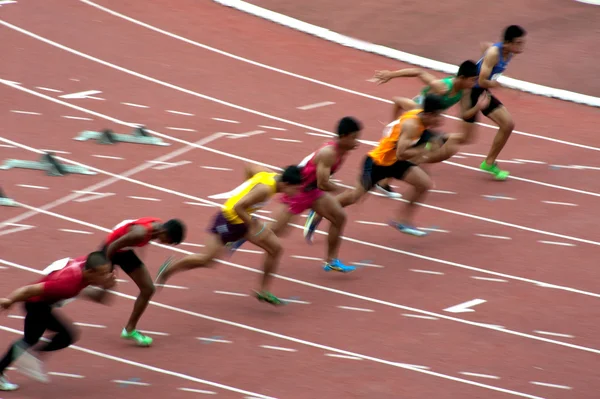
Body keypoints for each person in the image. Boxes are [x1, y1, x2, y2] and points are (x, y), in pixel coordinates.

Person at [305, 95, 451, 240]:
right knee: (354, 197)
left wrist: (392, 125)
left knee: (424, 184)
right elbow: (401, 154)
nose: (442, 120)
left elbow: (397, 101)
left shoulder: (417, 110)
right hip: (377, 163)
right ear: (429, 114)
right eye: (439, 116)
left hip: (394, 163)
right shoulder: (412, 126)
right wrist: (426, 147)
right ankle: (319, 211)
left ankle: (402, 220)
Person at [155, 164, 304, 305]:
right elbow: (238, 206)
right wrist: (252, 223)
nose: (296, 193)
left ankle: (263, 291)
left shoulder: (270, 175)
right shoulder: (265, 190)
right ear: (286, 184)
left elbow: (249, 166)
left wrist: (245, 191)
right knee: (207, 260)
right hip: (228, 221)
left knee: (276, 249)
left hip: (244, 222)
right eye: (295, 189)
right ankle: (169, 268)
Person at [227, 117, 362, 274]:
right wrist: (343, 189)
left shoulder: (342, 150)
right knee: (276, 231)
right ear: (344, 136)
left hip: (311, 191)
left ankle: (331, 261)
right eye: (354, 138)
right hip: (297, 191)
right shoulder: (329, 153)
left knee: (339, 217)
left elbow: (319, 182)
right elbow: (323, 183)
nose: (357, 142)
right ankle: (240, 235)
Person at [0, 251, 115, 391]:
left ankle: (31, 355)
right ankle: (27, 358)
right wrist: (10, 300)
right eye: (103, 274)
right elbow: (28, 290)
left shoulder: (87, 266)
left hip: (45, 304)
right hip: (36, 305)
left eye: (107, 272)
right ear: (90, 271)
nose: (107, 276)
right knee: (59, 336)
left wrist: (107, 286)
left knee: (38, 338)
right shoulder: (66, 284)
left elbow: (100, 298)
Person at [372, 60, 489, 197]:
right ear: (462, 78)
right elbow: (419, 72)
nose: (474, 84)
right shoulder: (443, 87)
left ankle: (389, 177)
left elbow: (464, 114)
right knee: (418, 148)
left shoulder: (464, 91)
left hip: (428, 121)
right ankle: (385, 179)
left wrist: (477, 107)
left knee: (443, 148)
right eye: (472, 80)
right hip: (417, 113)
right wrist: (391, 74)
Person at [101, 217, 186, 346]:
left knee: (148, 289)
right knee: (101, 295)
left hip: (124, 252)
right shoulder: (140, 233)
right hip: (110, 251)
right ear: (165, 232)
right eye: (169, 241)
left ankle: (129, 329)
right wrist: (107, 268)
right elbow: (113, 245)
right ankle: (67, 289)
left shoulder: (157, 228)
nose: (166, 244)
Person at [464, 24, 527, 180]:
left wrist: (484, 55)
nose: (522, 46)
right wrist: (505, 87)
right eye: (519, 43)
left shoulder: (508, 52)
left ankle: (489, 163)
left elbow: (485, 45)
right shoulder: (494, 53)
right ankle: (432, 140)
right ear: (508, 43)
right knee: (465, 138)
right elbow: (482, 80)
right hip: (471, 92)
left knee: (508, 125)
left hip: (482, 92)